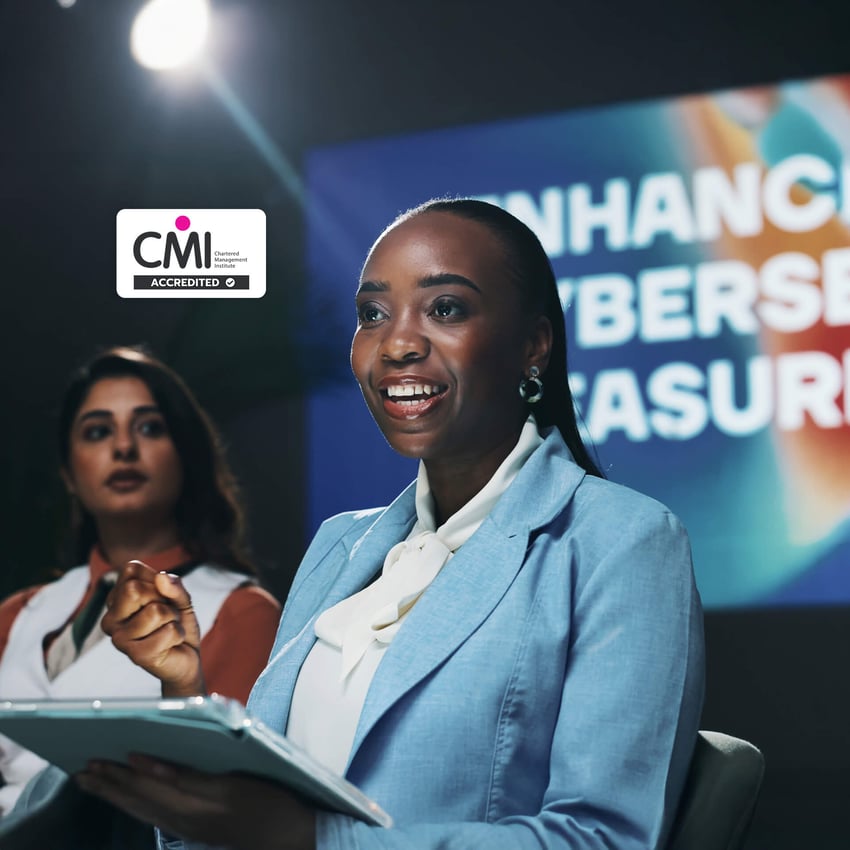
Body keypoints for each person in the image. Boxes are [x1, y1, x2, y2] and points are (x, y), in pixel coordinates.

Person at [75, 200, 705, 850]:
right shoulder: (338, 547)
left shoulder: (625, 541)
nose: (397, 343)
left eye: (446, 308)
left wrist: (311, 839)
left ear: (533, 345)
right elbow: (249, 828)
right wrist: (183, 690)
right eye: (373, 315)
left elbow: (604, 841)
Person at [0, 346, 281, 820]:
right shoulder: (17, 614)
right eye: (97, 431)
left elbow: (229, 805)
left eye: (149, 427)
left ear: (185, 455)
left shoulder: (243, 612)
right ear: (69, 473)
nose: (123, 448)